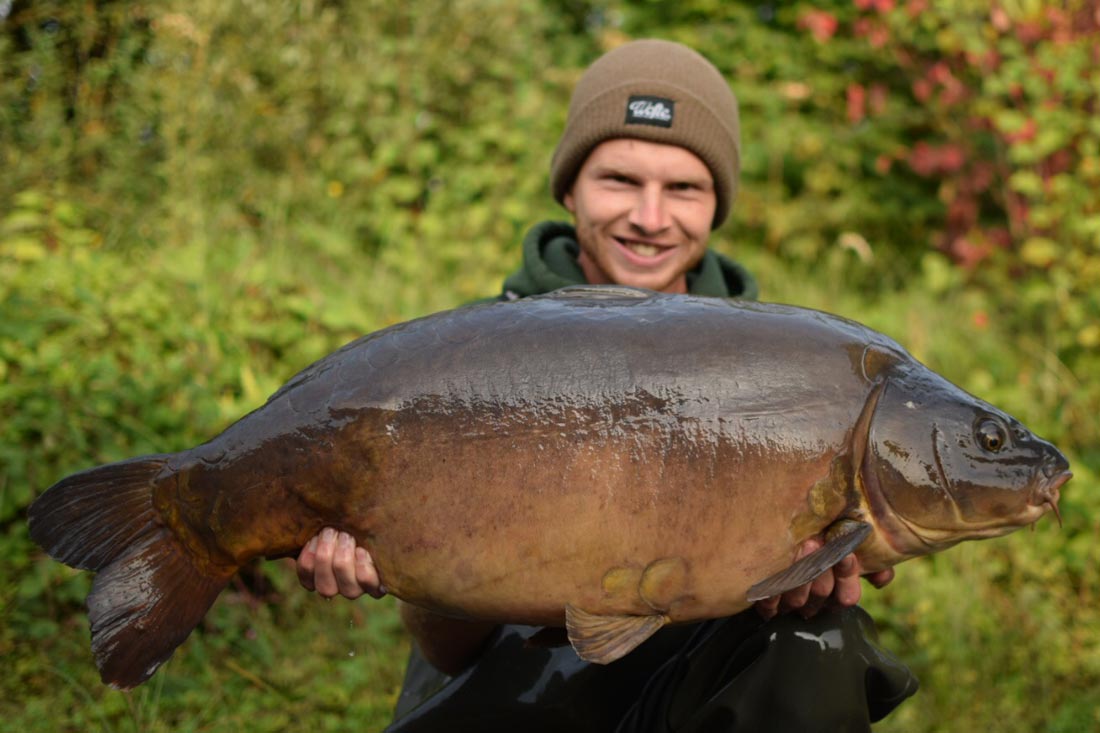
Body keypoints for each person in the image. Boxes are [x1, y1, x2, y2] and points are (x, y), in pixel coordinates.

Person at [295, 39, 918, 731]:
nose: (649, 217)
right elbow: (448, 654)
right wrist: (398, 560)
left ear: (717, 205)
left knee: (820, 639)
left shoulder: (789, 370)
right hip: (509, 680)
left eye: (683, 188)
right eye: (620, 180)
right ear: (569, 188)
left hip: (689, 675)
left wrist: (809, 576)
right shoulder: (470, 356)